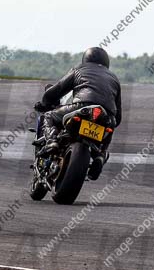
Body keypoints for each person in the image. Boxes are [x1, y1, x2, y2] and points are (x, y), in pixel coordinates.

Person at [34, 47, 122, 177]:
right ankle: (100, 155)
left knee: (49, 116)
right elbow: (118, 116)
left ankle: (52, 140)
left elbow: (57, 89)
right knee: (108, 129)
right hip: (107, 115)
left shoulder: (79, 69)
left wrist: (45, 102)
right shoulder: (114, 79)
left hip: (82, 106)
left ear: (86, 59)